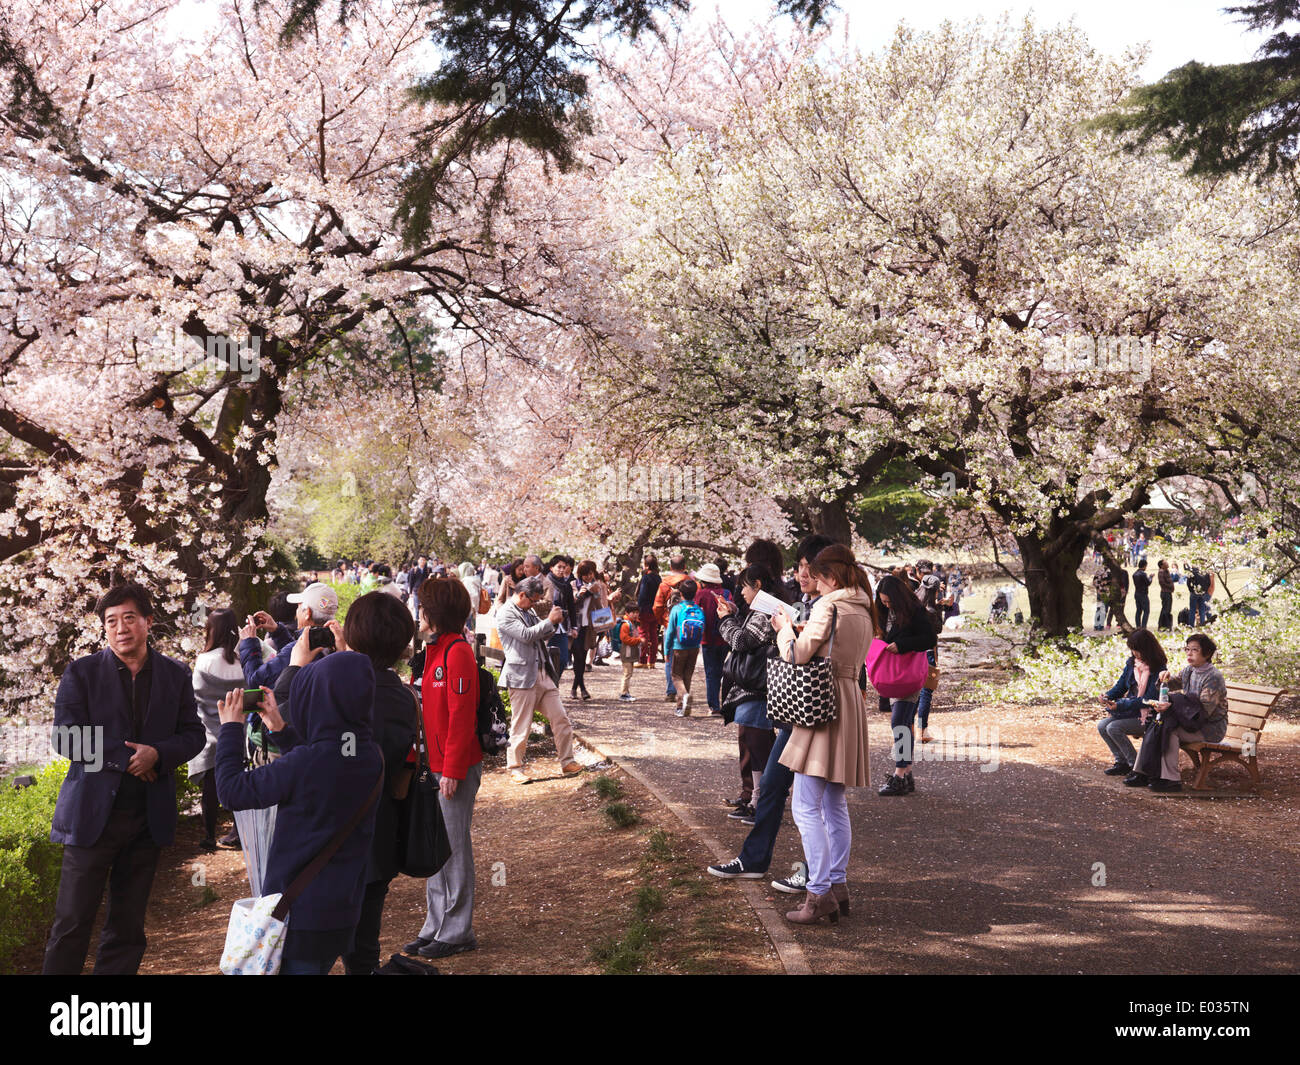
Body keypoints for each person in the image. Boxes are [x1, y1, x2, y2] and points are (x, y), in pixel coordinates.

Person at [43, 583, 206, 975]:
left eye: (129, 618)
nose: (120, 629)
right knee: (71, 924)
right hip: (92, 816)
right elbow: (64, 736)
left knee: (128, 927)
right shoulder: (81, 673)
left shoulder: (175, 674)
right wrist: (130, 758)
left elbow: (193, 734)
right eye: (111, 621)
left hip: (147, 820)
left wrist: (159, 754)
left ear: (148, 622)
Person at [215, 637, 385, 975]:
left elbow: (231, 791)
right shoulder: (369, 755)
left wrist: (231, 729)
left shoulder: (308, 763)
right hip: (343, 912)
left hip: (301, 917)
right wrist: (281, 729)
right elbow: (328, 764)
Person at [769, 544, 876, 924]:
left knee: (805, 805)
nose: (811, 581)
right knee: (834, 802)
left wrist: (784, 632)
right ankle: (837, 883)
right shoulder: (864, 605)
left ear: (828, 576)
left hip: (821, 704)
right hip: (848, 699)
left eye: (815, 575)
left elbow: (797, 655)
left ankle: (817, 894)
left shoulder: (828, 606)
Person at [327, 593, 420, 975]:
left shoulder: (338, 690)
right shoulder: (404, 698)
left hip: (329, 835)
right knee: (364, 944)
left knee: (312, 943)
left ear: (353, 634)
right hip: (380, 832)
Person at [405, 577, 483, 960]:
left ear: (434, 613)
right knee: (435, 848)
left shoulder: (457, 653)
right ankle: (436, 924)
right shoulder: (433, 650)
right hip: (433, 766)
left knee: (452, 849)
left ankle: (457, 930)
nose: (417, 613)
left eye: (422, 607)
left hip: (453, 768)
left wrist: (451, 769)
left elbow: (461, 717)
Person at [496, 576, 584, 784]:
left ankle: (567, 761)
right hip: (521, 677)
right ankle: (515, 767)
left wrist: (553, 624)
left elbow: (540, 635)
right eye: (533, 600)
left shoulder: (529, 610)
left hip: (543, 673)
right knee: (521, 725)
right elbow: (526, 635)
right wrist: (549, 621)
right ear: (522, 594)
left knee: (561, 718)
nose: (534, 604)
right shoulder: (505, 613)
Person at [714, 564, 781, 823]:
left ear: (758, 585)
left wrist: (725, 620)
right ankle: (756, 799)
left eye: (744, 586)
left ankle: (764, 802)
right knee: (752, 743)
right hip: (751, 687)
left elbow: (741, 641)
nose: (740, 591)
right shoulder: (759, 609)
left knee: (759, 744)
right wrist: (734, 615)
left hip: (757, 687)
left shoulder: (767, 609)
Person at [1126, 633, 1228, 792]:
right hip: (1189, 721)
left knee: (1170, 730)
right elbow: (1170, 685)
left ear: (1207, 654)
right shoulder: (1189, 670)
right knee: (1156, 724)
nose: (1189, 653)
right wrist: (1162, 680)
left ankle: (1171, 779)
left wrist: (1173, 705)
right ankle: (1141, 771)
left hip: (1209, 727)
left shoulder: (1213, 677)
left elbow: (1205, 710)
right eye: (1187, 649)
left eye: (1195, 650)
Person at [874, 573, 938, 796]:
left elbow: (929, 639)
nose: (886, 605)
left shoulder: (915, 611)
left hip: (910, 673)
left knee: (899, 722)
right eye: (882, 602)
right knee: (903, 722)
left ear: (898, 598)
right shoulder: (882, 611)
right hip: (893, 676)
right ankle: (907, 774)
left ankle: (899, 775)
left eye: (889, 601)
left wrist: (902, 645)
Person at [190, 609, 246, 851]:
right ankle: (239, 832)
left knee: (210, 788)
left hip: (211, 733)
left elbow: (196, 697)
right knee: (238, 780)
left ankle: (209, 835)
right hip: (239, 731)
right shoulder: (244, 658)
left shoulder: (204, 661)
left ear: (211, 630)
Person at [1097, 628, 1166, 776]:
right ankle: (1121, 761)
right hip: (1130, 711)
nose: (1135, 653)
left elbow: (1148, 700)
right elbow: (1121, 686)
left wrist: (1120, 705)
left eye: (1137, 650)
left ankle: (1135, 765)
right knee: (1102, 725)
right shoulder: (1132, 664)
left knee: (1113, 728)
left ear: (1147, 649)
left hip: (1148, 717)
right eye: (1132, 650)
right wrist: (1107, 696)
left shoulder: (1158, 668)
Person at [693, 562, 734, 716]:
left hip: (707, 638)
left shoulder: (701, 594)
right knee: (721, 671)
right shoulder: (727, 593)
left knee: (711, 672)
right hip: (724, 638)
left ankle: (714, 706)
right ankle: (724, 703)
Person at [652, 555, 692, 703]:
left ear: (670, 567)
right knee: (688, 659)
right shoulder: (692, 583)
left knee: (670, 659)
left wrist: (663, 621)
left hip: (670, 624)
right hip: (688, 626)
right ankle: (684, 690)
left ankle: (671, 691)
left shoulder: (664, 585)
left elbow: (657, 607)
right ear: (684, 566)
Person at [664, 578, 706, 716]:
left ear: (680, 593)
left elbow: (670, 632)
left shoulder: (677, 609)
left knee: (676, 676)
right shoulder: (698, 609)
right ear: (695, 594)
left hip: (679, 647)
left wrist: (666, 650)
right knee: (687, 675)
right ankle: (681, 707)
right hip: (694, 647)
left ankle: (684, 696)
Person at [635, 554, 662, 669]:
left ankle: (642, 660)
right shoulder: (658, 577)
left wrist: (638, 609)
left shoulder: (646, 577)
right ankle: (652, 661)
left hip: (645, 609)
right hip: (655, 609)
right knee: (654, 635)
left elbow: (642, 595)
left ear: (646, 565)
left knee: (643, 634)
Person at [614, 606, 643, 701]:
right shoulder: (626, 625)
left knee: (628, 673)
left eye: (637, 612)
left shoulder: (631, 623)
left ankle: (626, 691)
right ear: (627, 613)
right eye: (633, 612)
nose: (635, 615)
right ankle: (623, 693)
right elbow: (625, 639)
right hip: (626, 652)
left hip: (629, 652)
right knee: (627, 673)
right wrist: (638, 640)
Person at [1132, 559, 1152, 629]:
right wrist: (1151, 577)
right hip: (1143, 594)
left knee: (1138, 610)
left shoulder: (1134, 574)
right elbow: (1148, 583)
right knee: (1146, 610)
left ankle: (1138, 626)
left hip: (1137, 593)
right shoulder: (1143, 574)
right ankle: (1143, 626)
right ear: (1144, 566)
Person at [1157, 559, 1175, 631]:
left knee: (1168, 609)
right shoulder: (1161, 572)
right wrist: (1170, 587)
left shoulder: (1166, 571)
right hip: (1165, 592)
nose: (1167, 563)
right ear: (1162, 565)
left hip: (1169, 592)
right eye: (1165, 563)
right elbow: (1162, 582)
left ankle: (1166, 625)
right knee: (1165, 609)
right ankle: (1162, 625)